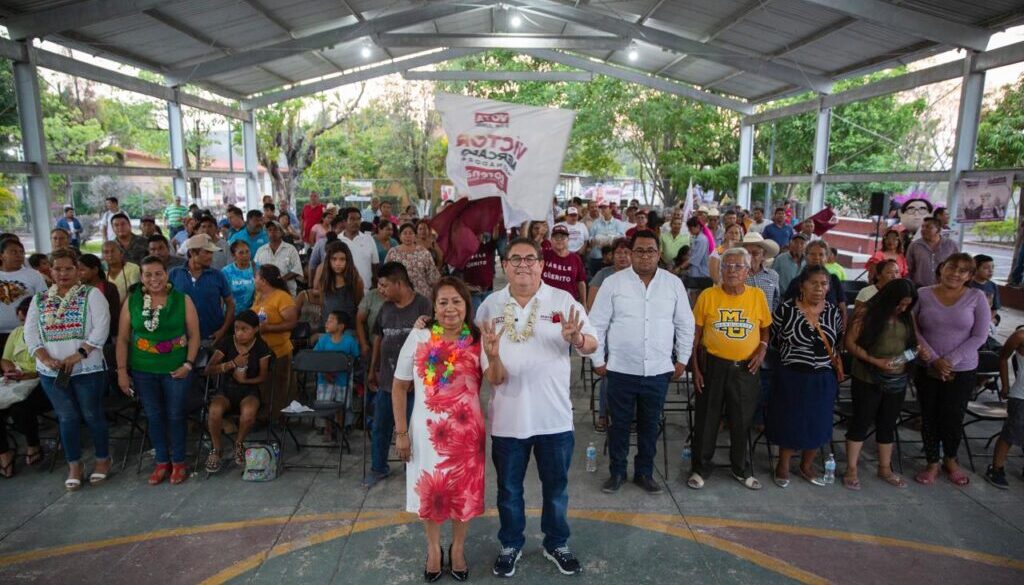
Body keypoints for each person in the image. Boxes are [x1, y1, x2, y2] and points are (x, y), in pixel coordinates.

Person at [476, 238, 597, 577]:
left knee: (556, 488)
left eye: (531, 258)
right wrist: (495, 354)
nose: (523, 265)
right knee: (509, 490)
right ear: (504, 265)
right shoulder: (490, 305)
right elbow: (493, 378)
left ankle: (556, 543)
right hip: (508, 421)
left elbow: (592, 343)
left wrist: (576, 339)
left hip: (554, 418)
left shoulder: (562, 300)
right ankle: (511, 544)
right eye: (515, 259)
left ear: (542, 265)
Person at [389, 277, 484, 581]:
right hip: (426, 434)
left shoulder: (478, 338)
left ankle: (457, 548)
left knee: (461, 495)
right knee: (430, 494)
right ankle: (433, 549)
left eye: (457, 301)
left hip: (468, 435)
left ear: (466, 305)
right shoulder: (419, 337)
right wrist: (401, 433)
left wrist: (493, 354)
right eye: (443, 302)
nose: (450, 308)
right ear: (434, 307)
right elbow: (399, 387)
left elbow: (497, 378)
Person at [590, 230, 694, 495]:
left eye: (650, 251)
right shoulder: (613, 283)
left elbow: (685, 324)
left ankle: (644, 473)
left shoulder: (673, 284)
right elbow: (597, 323)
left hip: (658, 370)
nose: (645, 255)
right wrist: (598, 359)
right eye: (639, 250)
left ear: (659, 254)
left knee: (650, 425)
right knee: (619, 425)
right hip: (621, 368)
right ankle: (617, 472)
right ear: (630, 253)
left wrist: (682, 359)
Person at [25, 250, 111, 490]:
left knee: (92, 414)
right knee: (67, 417)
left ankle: (103, 459)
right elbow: (30, 333)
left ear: (78, 271)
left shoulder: (91, 294)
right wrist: (44, 357)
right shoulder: (39, 299)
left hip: (87, 369)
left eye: (68, 269)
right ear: (49, 271)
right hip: (51, 372)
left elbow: (101, 328)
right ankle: (74, 465)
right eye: (57, 269)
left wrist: (79, 354)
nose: (62, 273)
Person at [688, 248, 770, 491]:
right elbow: (695, 336)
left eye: (737, 267)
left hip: (746, 369)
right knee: (707, 419)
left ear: (747, 271)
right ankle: (700, 468)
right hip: (713, 366)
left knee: (741, 419)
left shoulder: (757, 296)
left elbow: (765, 328)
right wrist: (696, 369)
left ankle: (739, 468)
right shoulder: (708, 296)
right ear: (720, 270)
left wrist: (762, 349)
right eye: (727, 266)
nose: (731, 270)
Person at [117, 256, 200, 485]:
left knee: (175, 415)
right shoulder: (133, 300)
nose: (154, 279)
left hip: (176, 369)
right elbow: (123, 339)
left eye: (158, 274)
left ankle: (179, 462)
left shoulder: (182, 300)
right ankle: (162, 462)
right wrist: (122, 371)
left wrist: (188, 364)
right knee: (153, 417)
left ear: (166, 274)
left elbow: (194, 336)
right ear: (142, 278)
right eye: (148, 275)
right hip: (143, 369)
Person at [912, 253, 989, 486]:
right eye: (951, 267)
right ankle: (932, 461)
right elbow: (912, 328)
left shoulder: (977, 297)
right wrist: (935, 359)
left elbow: (980, 335)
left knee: (953, 416)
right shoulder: (923, 294)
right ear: (941, 268)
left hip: (962, 369)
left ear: (969, 276)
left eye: (963, 271)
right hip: (928, 367)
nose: (955, 274)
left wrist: (951, 360)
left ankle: (951, 459)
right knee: (930, 415)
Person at [767, 266, 844, 488]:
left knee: (817, 422)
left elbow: (837, 338)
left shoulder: (832, 311)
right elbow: (774, 339)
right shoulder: (786, 309)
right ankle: (783, 465)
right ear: (802, 285)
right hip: (792, 376)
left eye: (824, 284)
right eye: (814, 283)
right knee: (789, 420)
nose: (819, 288)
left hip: (822, 377)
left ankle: (806, 465)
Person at [844, 279, 921, 490]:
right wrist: (874, 361)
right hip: (868, 375)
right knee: (861, 421)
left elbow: (913, 343)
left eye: (907, 305)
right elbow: (850, 343)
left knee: (887, 423)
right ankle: (851, 468)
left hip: (897, 377)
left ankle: (885, 467)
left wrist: (913, 354)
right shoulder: (866, 313)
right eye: (899, 304)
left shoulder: (907, 316)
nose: (902, 308)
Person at [365, 262, 433, 488]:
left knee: (413, 429)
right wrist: (373, 368)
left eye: (384, 285)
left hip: (416, 385)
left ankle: (412, 469)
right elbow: (378, 338)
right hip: (387, 380)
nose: (380, 290)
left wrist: (420, 377)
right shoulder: (385, 308)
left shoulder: (423, 305)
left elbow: (433, 344)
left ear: (399, 283)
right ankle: (378, 468)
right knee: (380, 426)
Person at [203, 309, 272, 472]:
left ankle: (239, 443)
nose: (239, 333)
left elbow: (263, 377)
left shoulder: (261, 347)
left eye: (244, 329)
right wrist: (231, 364)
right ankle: (217, 448)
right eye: (236, 329)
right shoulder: (227, 343)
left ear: (255, 329)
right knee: (214, 411)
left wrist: (245, 380)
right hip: (226, 389)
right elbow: (208, 369)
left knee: (248, 413)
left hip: (249, 390)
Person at [0, 298, 52, 477]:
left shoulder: (49, 334)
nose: (24, 324)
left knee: (20, 408)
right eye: (21, 321)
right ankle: (4, 453)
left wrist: (27, 375)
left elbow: (50, 366)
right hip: (16, 380)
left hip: (41, 381)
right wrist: (9, 370)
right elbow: (5, 359)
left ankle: (33, 444)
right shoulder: (16, 333)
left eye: (27, 320)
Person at [169, 234, 235, 345]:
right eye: (207, 252)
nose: (211, 256)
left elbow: (230, 304)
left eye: (211, 253)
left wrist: (223, 331)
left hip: (212, 337)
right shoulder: (174, 274)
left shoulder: (218, 275)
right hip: (182, 338)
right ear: (192, 252)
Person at [251, 265, 299, 417]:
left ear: (264, 281)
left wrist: (268, 328)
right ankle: (265, 416)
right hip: (261, 350)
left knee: (279, 387)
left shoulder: (281, 297)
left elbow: (291, 322)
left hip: (278, 351)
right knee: (265, 386)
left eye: (256, 277)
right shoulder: (259, 296)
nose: (254, 280)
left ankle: (279, 419)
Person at [986, 328, 1024, 488]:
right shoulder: (1020, 336)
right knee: (1010, 433)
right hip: (1021, 395)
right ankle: (996, 468)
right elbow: (1002, 358)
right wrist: (1005, 386)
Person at [313, 309, 360, 438]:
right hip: (324, 380)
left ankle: (340, 428)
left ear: (341, 326)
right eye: (327, 320)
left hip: (343, 381)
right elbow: (314, 358)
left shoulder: (350, 341)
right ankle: (328, 428)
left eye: (331, 321)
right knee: (326, 405)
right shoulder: (323, 341)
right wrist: (325, 372)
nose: (327, 323)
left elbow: (355, 359)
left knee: (341, 406)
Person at [784, 240, 847, 326]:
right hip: (800, 329)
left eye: (821, 254)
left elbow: (842, 308)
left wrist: (844, 329)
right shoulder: (797, 282)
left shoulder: (834, 280)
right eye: (812, 254)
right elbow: (786, 308)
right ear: (806, 257)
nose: (816, 257)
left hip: (831, 330)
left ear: (827, 257)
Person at [1, 238, 48, 351]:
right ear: (1, 255)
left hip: (25, 332)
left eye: (22, 252)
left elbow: (44, 301)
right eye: (13, 252)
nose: (19, 255)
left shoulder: (34, 275)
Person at [315, 241, 364, 330]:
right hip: (327, 329)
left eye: (342, 259)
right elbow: (322, 305)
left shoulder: (356, 281)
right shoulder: (323, 281)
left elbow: (359, 306)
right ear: (328, 261)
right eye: (334, 259)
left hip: (349, 330)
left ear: (348, 260)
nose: (338, 263)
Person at [385, 223, 441, 300]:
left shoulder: (424, 252)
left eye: (411, 233)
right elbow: (386, 274)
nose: (408, 236)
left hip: (422, 294)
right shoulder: (393, 252)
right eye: (405, 233)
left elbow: (432, 275)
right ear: (400, 236)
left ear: (415, 236)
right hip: (399, 294)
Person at [77, 254, 120, 342]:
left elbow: (114, 315)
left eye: (82, 270)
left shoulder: (109, 288)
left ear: (95, 270)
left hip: (105, 336)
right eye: (77, 270)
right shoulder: (78, 289)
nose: (78, 273)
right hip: (82, 336)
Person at [906, 217, 959, 288]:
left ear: (938, 230)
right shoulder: (914, 245)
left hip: (944, 287)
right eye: (922, 227)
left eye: (928, 227)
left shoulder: (951, 245)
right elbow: (908, 268)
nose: (923, 230)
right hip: (919, 287)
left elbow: (957, 265)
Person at [338, 207, 380, 295]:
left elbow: (375, 265)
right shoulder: (338, 240)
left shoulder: (368, 239)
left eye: (358, 219)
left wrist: (374, 285)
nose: (356, 222)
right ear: (344, 222)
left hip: (366, 291)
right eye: (352, 219)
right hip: (342, 292)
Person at [253, 221, 302, 296]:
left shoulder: (291, 249)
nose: (272, 232)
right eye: (269, 230)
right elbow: (255, 269)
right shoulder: (260, 250)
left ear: (282, 233)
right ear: (266, 233)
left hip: (287, 292)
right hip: (265, 293)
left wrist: (280, 280)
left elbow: (297, 270)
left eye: (275, 229)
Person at [541, 224, 587, 302]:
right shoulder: (543, 254)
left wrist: (584, 304)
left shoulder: (575, 258)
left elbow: (581, 282)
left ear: (568, 239)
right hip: (545, 300)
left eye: (562, 237)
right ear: (551, 239)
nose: (559, 240)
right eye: (556, 237)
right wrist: (540, 235)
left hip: (568, 301)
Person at [742, 232, 781, 311]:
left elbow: (776, 301)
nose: (750, 257)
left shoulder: (773, 275)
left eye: (755, 253)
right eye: (747, 253)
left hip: (767, 321)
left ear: (763, 255)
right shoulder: (736, 275)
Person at [587, 203, 626, 277]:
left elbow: (621, 238)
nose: (603, 210)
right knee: (595, 278)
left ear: (611, 209)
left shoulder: (618, 223)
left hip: (612, 257)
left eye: (605, 208)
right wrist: (610, 238)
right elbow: (591, 238)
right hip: (597, 256)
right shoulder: (596, 222)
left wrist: (601, 238)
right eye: (601, 208)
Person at [222, 240, 257, 315]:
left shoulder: (256, 268)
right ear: (233, 255)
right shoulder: (226, 271)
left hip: (251, 313)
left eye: (247, 251)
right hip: (230, 314)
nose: (245, 255)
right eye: (241, 253)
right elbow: (221, 296)